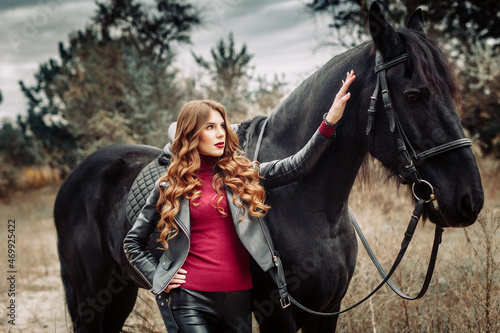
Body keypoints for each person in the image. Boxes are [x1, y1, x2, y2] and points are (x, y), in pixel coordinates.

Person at [123, 71, 355, 333]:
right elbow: (132, 243)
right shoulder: (170, 184)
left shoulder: (242, 175)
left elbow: (299, 164)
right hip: (190, 301)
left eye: (222, 126)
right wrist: (158, 276)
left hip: (238, 301)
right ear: (191, 134)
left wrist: (330, 121)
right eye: (210, 127)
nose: (220, 133)